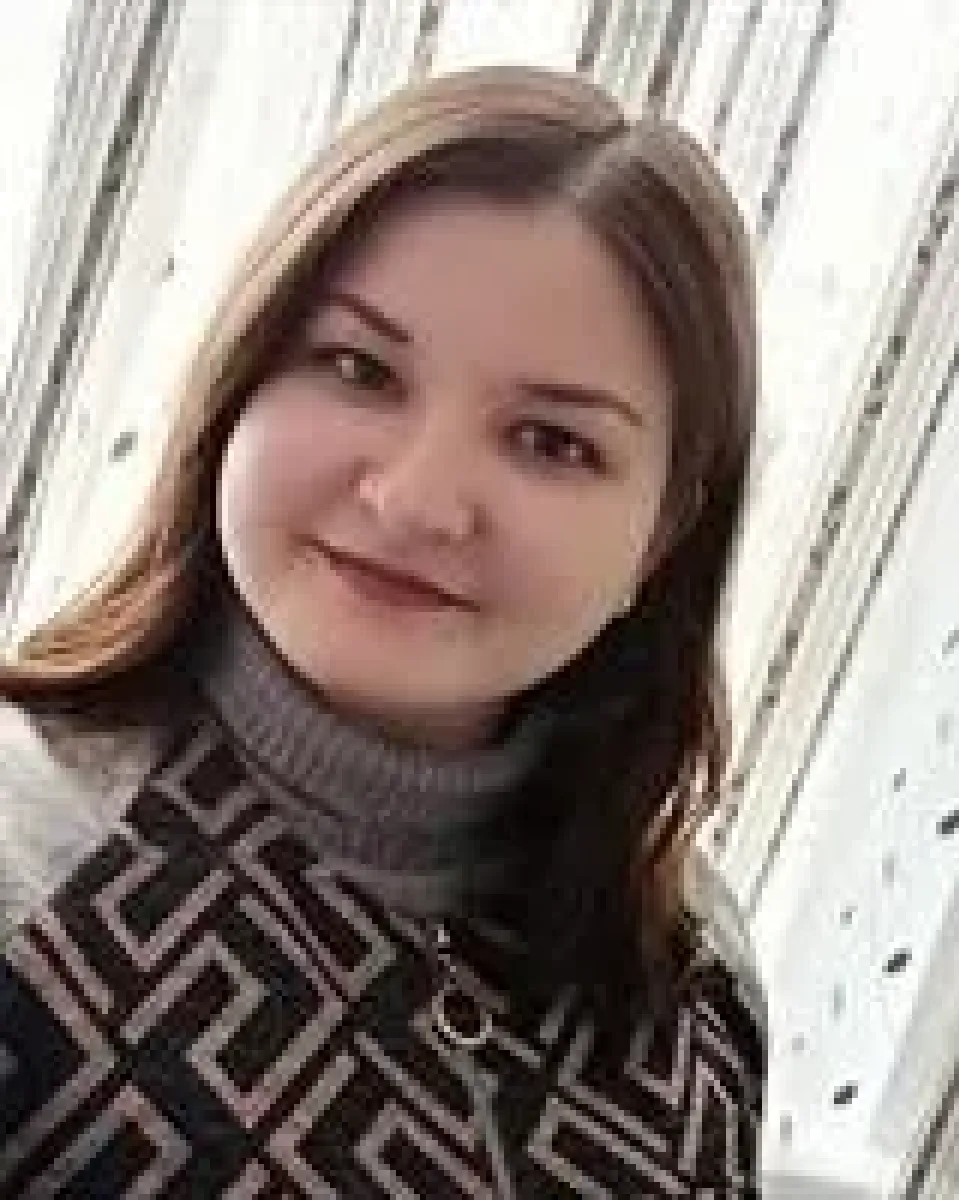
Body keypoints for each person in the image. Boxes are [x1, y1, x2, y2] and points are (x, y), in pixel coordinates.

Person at [0, 64, 765, 1196]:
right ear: (237, 384)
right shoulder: (24, 860)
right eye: (359, 369)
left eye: (552, 442)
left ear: (660, 539)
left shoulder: (690, 959)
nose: (416, 501)